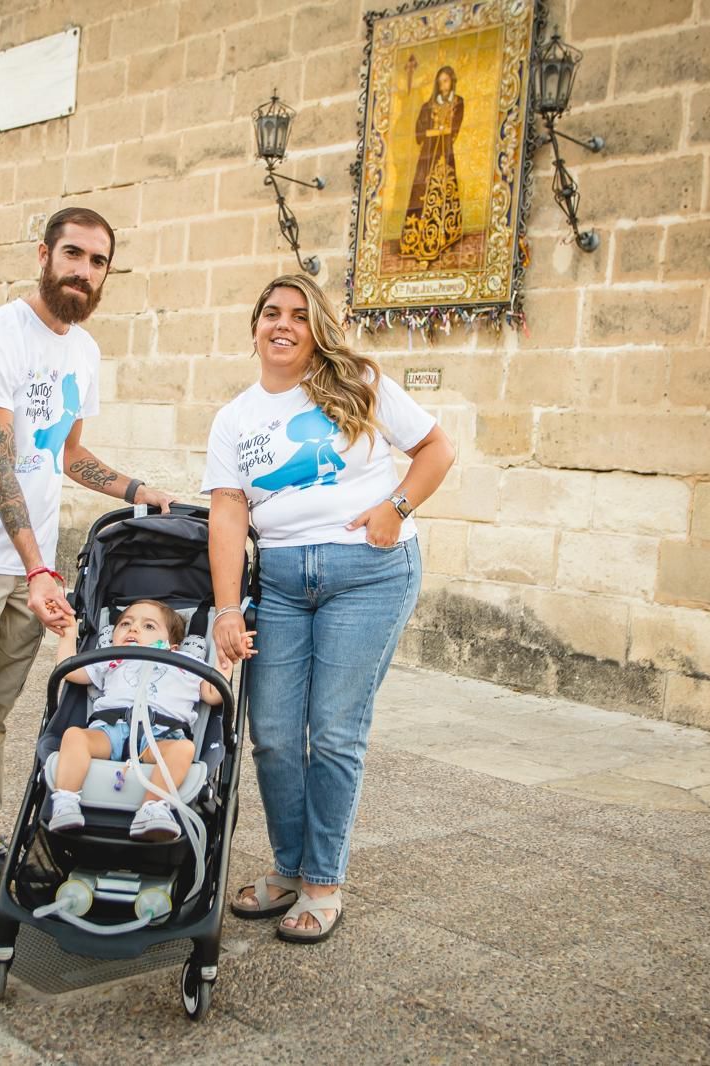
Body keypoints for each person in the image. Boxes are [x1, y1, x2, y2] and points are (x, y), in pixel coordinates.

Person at [0, 207, 177, 935]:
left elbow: (65, 454)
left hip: (33, 568)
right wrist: (37, 569)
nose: (83, 271)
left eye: (98, 262)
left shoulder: (83, 353)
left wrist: (138, 490)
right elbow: (0, 466)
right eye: (73, 254)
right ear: (45, 254)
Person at [203, 274, 455, 944]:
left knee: (334, 732)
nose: (283, 325)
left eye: (298, 316)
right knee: (277, 736)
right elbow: (227, 512)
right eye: (271, 314)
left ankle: (323, 882)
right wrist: (227, 609)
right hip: (282, 582)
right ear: (255, 325)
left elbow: (437, 448)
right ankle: (289, 868)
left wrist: (393, 510)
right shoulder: (235, 418)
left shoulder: (360, 382)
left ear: (316, 329)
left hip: (369, 574)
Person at [48, 600, 241, 841]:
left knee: (184, 749)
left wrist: (224, 661)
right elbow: (69, 671)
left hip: (162, 736)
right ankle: (65, 800)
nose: (133, 629)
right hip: (111, 729)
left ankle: (153, 808)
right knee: (74, 736)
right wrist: (67, 635)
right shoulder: (112, 659)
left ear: (173, 646)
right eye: (125, 624)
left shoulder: (186, 665)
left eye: (148, 626)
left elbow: (213, 695)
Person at [399, 65, 465, 265]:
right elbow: (419, 127)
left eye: (445, 80)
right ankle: (414, 239)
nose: (442, 85)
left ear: (451, 81)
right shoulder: (428, 105)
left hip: (444, 149)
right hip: (429, 151)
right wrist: (427, 131)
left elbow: (457, 124)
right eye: (439, 81)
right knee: (422, 188)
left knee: (443, 189)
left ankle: (445, 233)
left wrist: (447, 130)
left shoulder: (457, 101)